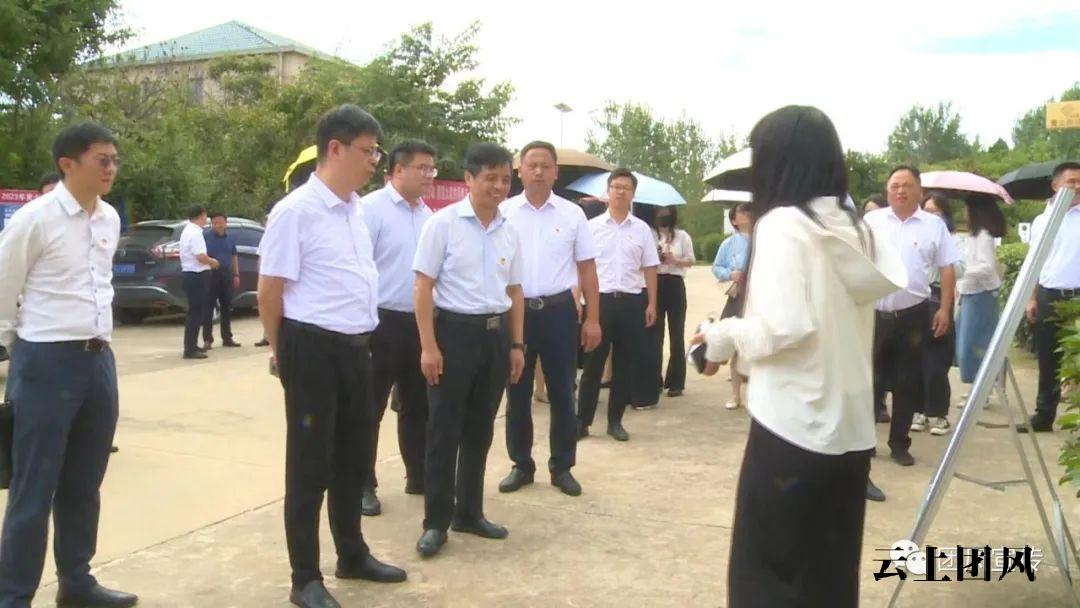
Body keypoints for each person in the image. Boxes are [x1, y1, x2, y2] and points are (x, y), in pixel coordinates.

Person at [698, 105, 906, 608]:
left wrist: (719, 336)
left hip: (790, 427)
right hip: (850, 431)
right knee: (829, 575)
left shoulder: (783, 224)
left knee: (767, 576)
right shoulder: (860, 228)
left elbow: (782, 328)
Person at [258, 104, 406, 608]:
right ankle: (305, 578)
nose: (374, 162)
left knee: (352, 459)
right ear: (335, 149)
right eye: (369, 152)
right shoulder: (296, 211)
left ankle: (352, 555)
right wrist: (282, 352)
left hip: (358, 348)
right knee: (309, 467)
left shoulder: (356, 210)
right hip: (312, 349)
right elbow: (270, 291)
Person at [0, 123, 138, 608]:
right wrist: (17, 350)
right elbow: (3, 286)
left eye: (115, 160)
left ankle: (76, 582)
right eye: (102, 159)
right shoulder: (35, 219)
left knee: (84, 481)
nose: (112, 168)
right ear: (68, 164)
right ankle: (13, 595)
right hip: (45, 362)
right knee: (33, 487)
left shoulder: (109, 218)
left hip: (98, 361)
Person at [412, 143, 525, 558]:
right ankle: (435, 522)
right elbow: (422, 286)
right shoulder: (442, 225)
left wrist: (517, 344)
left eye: (505, 179)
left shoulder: (509, 230)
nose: (499, 186)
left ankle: (469, 512)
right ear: (469, 179)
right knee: (444, 431)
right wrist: (428, 346)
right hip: (453, 335)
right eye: (490, 178)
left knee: (480, 429)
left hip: (495, 337)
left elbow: (516, 291)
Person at [497, 141, 601, 498]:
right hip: (516, 313)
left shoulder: (573, 214)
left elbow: (587, 268)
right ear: (520, 171)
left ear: (556, 172)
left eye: (545, 165)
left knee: (562, 391)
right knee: (517, 392)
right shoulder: (504, 212)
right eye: (532, 165)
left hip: (559, 312)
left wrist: (592, 318)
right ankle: (521, 464)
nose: (538, 171)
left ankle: (562, 466)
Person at [359, 139, 438, 516]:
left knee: (417, 405)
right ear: (398, 170)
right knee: (368, 408)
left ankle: (418, 474)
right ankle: (363, 483)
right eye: (422, 168)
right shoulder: (370, 209)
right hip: (378, 322)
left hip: (419, 323)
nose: (428, 175)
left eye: (431, 169)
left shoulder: (429, 216)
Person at [864, 167, 961, 466]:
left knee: (907, 382)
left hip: (914, 315)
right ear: (887, 189)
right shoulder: (872, 221)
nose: (900, 191)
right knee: (870, 381)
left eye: (906, 185)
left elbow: (947, 268)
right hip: (874, 314)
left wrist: (945, 309)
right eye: (894, 185)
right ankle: (864, 443)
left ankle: (899, 443)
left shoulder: (934, 225)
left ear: (919, 190)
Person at [576, 169, 660, 442]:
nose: (620, 192)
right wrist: (579, 298)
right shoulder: (591, 227)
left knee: (625, 365)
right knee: (593, 365)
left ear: (633, 194)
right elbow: (581, 266)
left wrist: (652, 303)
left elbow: (650, 268)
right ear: (608, 191)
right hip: (599, 302)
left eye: (626, 188)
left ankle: (615, 421)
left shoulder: (642, 229)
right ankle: (582, 422)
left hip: (632, 302)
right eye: (616, 187)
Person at [1022, 161, 1080, 433]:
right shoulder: (1042, 221)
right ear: (1056, 185)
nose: (1077, 187)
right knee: (1048, 358)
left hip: (1078, 297)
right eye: (1071, 182)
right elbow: (1035, 263)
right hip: (1049, 295)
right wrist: (1031, 298)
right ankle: (1044, 415)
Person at [911, 192, 964, 436]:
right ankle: (919, 410)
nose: (932, 216)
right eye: (927, 211)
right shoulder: (914, 234)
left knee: (937, 362)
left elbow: (960, 268)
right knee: (916, 360)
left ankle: (939, 413)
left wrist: (940, 258)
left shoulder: (953, 239)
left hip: (939, 298)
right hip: (916, 299)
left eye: (937, 212)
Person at [955, 195, 1007, 393]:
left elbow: (987, 267)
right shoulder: (973, 236)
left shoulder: (984, 236)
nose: (964, 213)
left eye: (966, 209)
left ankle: (981, 389)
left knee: (976, 344)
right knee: (965, 343)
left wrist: (962, 271)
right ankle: (977, 387)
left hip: (982, 294)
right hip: (970, 293)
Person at [712, 204, 753, 410]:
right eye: (742, 212)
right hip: (738, 297)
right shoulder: (729, 244)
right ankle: (736, 395)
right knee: (736, 344)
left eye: (749, 211)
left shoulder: (764, 239)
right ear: (734, 220)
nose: (747, 214)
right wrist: (730, 274)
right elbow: (716, 267)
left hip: (760, 295)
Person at [651, 205, 695, 397]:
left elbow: (691, 260)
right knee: (655, 334)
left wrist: (675, 260)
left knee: (676, 333)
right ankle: (654, 381)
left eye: (666, 214)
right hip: (656, 282)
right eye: (659, 213)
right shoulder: (650, 235)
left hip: (675, 283)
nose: (663, 217)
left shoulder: (682, 236)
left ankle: (676, 381)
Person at [179, 205, 218, 360]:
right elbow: (200, 256)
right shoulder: (195, 233)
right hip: (197, 274)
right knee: (195, 313)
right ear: (202, 215)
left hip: (190, 274)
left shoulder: (187, 230)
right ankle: (189, 349)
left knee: (195, 312)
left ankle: (192, 344)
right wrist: (213, 262)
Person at [202, 212, 241, 350]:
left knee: (227, 307)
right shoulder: (205, 237)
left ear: (226, 223)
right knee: (208, 308)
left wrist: (236, 274)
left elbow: (234, 256)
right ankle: (207, 339)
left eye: (220, 222)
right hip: (210, 275)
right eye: (215, 222)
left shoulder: (230, 238)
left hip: (226, 275)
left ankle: (227, 338)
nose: (218, 224)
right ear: (211, 224)